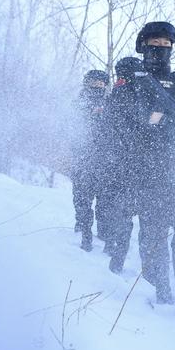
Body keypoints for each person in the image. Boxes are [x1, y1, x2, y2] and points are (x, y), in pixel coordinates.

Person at [105, 21, 175, 318]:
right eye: (155, 42)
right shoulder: (130, 79)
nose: (161, 48)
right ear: (143, 45)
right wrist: (152, 120)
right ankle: (161, 289)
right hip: (142, 168)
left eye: (167, 44)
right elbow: (116, 120)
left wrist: (164, 122)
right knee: (153, 232)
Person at [71, 70, 108, 252]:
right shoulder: (79, 102)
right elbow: (71, 123)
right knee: (82, 196)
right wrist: (89, 114)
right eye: (95, 82)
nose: (98, 85)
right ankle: (82, 227)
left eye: (102, 83)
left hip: (104, 158)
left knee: (104, 198)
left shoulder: (109, 102)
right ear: (88, 83)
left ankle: (102, 231)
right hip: (82, 156)